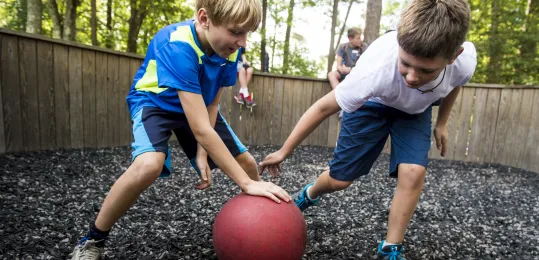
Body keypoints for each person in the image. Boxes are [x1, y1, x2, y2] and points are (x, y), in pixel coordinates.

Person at [70, 0, 291, 259]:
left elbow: (212, 102)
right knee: (149, 165)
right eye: (236, 32)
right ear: (204, 18)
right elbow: (200, 127)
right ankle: (92, 240)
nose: (243, 42)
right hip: (156, 102)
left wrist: (202, 151)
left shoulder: (229, 51)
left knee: (247, 162)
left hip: (197, 105)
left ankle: (263, 227)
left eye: (246, 33)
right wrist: (243, 183)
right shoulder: (177, 45)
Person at [258, 0, 476, 259]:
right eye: (406, 63)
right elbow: (321, 108)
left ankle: (391, 247)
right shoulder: (375, 69)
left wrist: (442, 123)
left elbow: (455, 83)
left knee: (414, 172)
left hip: (414, 112)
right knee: (340, 180)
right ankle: (310, 193)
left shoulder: (464, 61)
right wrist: (284, 150)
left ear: (453, 56)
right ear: (398, 46)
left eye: (426, 69)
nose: (412, 77)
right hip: (372, 103)